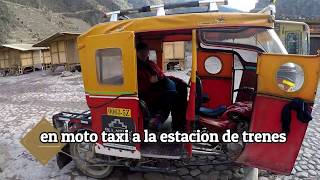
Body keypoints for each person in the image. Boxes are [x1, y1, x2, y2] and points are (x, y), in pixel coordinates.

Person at [136, 42, 187, 132]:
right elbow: (140, 86)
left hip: (160, 89)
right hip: (150, 94)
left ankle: (180, 123)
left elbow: (161, 76)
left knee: (182, 86)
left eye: (146, 51)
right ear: (136, 52)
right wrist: (151, 82)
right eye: (141, 52)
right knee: (176, 98)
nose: (144, 53)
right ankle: (178, 126)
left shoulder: (150, 64)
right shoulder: (136, 67)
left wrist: (178, 80)